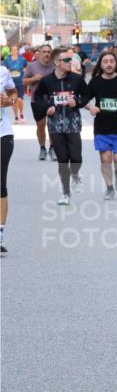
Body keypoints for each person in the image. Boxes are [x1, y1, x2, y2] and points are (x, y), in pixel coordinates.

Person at [33, 47, 92, 205]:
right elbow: (37, 97)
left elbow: (87, 95)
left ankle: (75, 175)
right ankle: (66, 193)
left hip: (73, 124)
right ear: (57, 62)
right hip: (55, 126)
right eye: (66, 60)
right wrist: (47, 107)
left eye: (70, 59)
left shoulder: (76, 79)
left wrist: (77, 102)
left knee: (76, 157)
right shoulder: (46, 81)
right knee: (62, 160)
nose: (70, 62)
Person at [85, 50, 117, 200]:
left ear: (116, 63)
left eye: (111, 61)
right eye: (105, 62)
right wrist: (91, 108)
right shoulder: (95, 82)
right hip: (102, 128)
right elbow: (85, 100)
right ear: (100, 65)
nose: (109, 64)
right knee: (105, 159)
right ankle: (109, 187)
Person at [23, 44, 56, 161]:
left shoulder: (55, 65)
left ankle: (52, 148)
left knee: (53, 125)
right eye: (44, 52)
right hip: (37, 100)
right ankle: (42, 148)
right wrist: (34, 79)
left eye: (49, 52)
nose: (47, 54)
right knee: (41, 126)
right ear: (40, 53)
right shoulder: (32, 65)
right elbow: (24, 81)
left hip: (53, 99)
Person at [0, 64, 18, 253]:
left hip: (2, 134)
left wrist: (10, 102)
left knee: (0, 182)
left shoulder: (3, 72)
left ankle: (0, 233)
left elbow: (14, 93)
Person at [2, 45, 28, 122]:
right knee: (13, 100)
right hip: (10, 84)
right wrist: (8, 71)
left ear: (18, 51)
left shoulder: (22, 59)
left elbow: (26, 67)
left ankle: (22, 114)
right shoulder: (7, 59)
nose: (14, 51)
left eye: (15, 49)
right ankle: (16, 116)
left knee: (20, 99)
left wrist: (23, 72)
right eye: (12, 50)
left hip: (20, 82)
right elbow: (4, 69)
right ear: (10, 51)